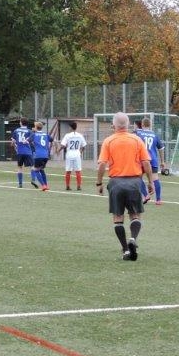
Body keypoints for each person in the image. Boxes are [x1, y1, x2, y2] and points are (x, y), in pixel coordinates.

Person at [95, 112, 155, 261]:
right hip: (134, 182)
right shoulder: (136, 140)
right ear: (128, 125)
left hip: (116, 183)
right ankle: (133, 239)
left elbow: (102, 164)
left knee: (118, 217)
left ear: (113, 125)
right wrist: (150, 182)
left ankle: (125, 249)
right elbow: (146, 163)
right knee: (135, 215)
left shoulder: (109, 141)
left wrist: (99, 183)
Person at [135, 118, 166, 205]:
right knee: (155, 178)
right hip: (153, 159)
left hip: (141, 159)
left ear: (142, 124)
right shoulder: (154, 135)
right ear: (150, 125)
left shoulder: (138, 133)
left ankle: (146, 195)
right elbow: (161, 148)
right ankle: (158, 200)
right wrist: (162, 161)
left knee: (137, 178)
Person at [59, 121, 87, 191]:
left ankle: (67, 186)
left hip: (69, 154)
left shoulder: (67, 135)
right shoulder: (80, 135)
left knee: (68, 170)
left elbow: (63, 145)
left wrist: (58, 150)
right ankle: (79, 186)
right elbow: (84, 146)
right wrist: (80, 152)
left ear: (70, 128)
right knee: (78, 171)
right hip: (77, 153)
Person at [10, 118, 33, 188]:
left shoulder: (16, 130)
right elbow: (32, 141)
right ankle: (33, 180)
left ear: (21, 123)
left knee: (20, 167)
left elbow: (13, 142)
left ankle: (20, 184)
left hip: (20, 152)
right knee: (32, 166)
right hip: (28, 151)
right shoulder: (29, 131)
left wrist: (15, 146)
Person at [31, 121, 51, 191]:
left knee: (35, 170)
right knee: (41, 170)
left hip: (38, 155)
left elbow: (27, 141)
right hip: (46, 156)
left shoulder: (34, 134)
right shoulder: (46, 134)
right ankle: (46, 185)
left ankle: (43, 185)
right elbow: (52, 139)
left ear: (36, 127)